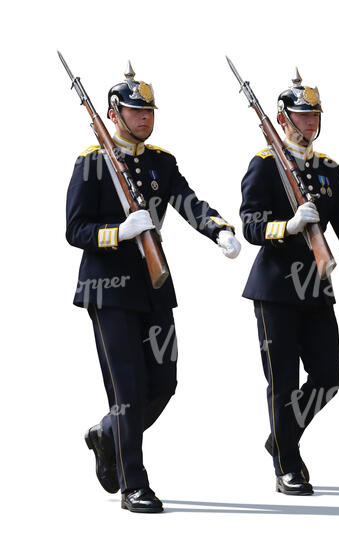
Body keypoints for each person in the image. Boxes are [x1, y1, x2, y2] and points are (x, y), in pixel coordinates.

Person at [66, 61, 241, 513]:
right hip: (108, 290)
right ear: (113, 113)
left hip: (153, 283)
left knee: (163, 382)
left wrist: (217, 228)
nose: (144, 118)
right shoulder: (91, 162)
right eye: (134, 111)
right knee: (127, 389)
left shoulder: (161, 161)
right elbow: (75, 229)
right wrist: (119, 232)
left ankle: (108, 433)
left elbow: (187, 200)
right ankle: (134, 483)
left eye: (148, 111)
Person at [239, 70, 339, 496]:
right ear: (283, 120)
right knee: (282, 380)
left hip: (316, 288)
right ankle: (287, 462)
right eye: (302, 116)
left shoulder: (328, 169)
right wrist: (287, 225)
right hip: (275, 290)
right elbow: (250, 224)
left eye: (314, 114)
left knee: (329, 374)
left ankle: (281, 436)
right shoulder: (264, 165)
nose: (310, 122)